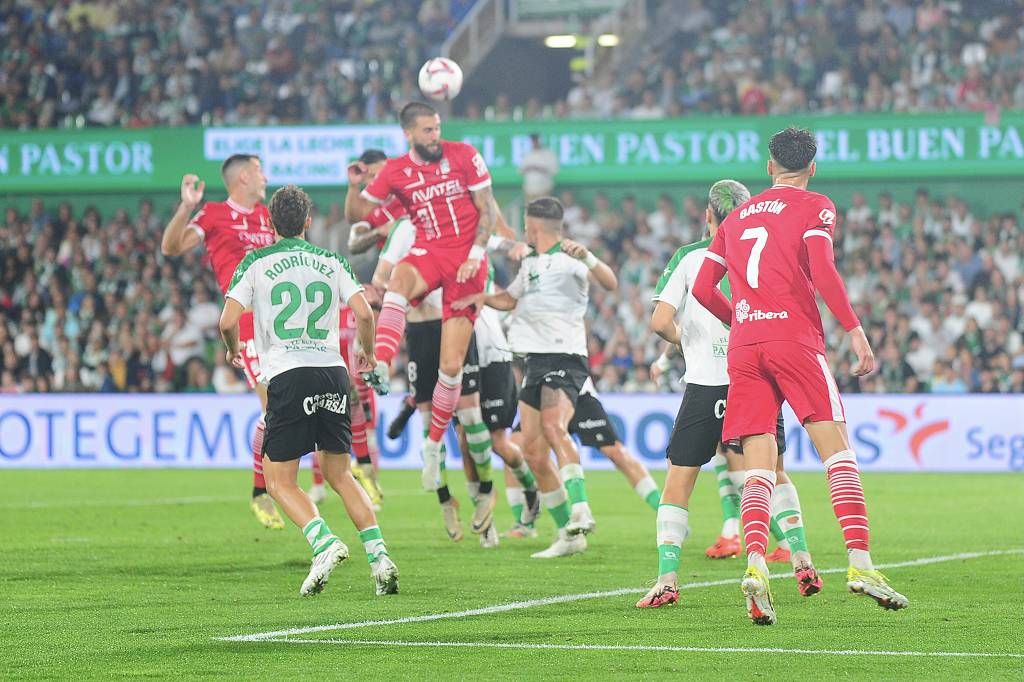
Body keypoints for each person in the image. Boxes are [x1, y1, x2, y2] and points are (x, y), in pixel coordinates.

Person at [692, 128, 908, 625]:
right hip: (795, 341)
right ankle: (860, 565)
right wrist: (854, 330)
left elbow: (705, 289)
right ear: (812, 168)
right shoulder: (815, 207)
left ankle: (755, 565)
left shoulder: (737, 215)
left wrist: (742, 321)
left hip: (746, 348)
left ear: (769, 166)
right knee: (838, 453)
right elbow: (824, 271)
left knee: (758, 466)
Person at [637, 179, 819, 610]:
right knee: (772, 474)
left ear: (707, 215)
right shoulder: (768, 252)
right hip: (754, 378)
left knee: (679, 481)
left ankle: (667, 579)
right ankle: (800, 557)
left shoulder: (689, 256)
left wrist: (685, 342)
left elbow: (661, 321)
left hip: (705, 383)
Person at [219, 184, 399, 597]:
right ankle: (380, 557)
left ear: (269, 222)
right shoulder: (331, 261)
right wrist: (368, 356)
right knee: (340, 474)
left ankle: (324, 544)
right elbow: (365, 315)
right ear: (307, 222)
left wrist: (232, 352)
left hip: (287, 373)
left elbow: (228, 322)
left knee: (280, 481)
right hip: (332, 372)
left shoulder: (256, 262)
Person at [345, 102, 499, 496]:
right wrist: (354, 186)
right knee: (396, 283)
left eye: (437, 128)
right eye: (428, 130)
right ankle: (380, 361)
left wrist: (478, 255)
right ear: (409, 134)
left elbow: (488, 208)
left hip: (467, 258)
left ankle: (433, 447)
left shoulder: (465, 155)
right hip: (431, 250)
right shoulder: (396, 171)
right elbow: (360, 215)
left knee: (451, 368)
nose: (436, 136)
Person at [454, 197, 617, 558]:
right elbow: (510, 300)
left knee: (554, 427)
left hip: (566, 357)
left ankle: (581, 507)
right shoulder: (530, 262)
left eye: (527, 224)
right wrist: (479, 298)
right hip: (534, 362)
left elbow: (610, 282)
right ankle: (568, 535)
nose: (524, 230)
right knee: (531, 450)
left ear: (536, 226)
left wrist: (588, 257)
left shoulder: (569, 257)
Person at [162, 153, 295, 530]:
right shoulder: (214, 214)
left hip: (283, 323)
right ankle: (261, 492)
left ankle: (276, 487)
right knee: (274, 408)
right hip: (249, 322)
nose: (265, 176)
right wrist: (187, 207)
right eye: (258, 171)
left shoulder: (270, 219)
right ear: (241, 178)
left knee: (286, 410)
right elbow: (171, 248)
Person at [518, 133, 559, 204]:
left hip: (544, 189)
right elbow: (520, 171)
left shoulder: (548, 154)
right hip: (529, 190)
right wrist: (529, 168)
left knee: (543, 211)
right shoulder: (527, 155)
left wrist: (540, 169)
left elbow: (554, 170)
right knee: (531, 211)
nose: (534, 143)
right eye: (533, 141)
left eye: (536, 140)